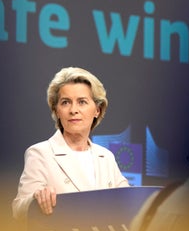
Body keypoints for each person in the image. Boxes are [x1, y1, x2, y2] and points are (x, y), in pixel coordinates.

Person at [11, 66, 130, 220]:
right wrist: (35, 198)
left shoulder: (106, 157)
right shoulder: (40, 153)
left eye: (82, 102)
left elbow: (130, 202)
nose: (73, 110)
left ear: (97, 110)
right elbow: (18, 209)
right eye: (66, 102)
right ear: (57, 111)